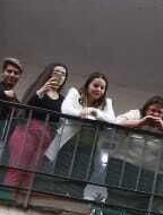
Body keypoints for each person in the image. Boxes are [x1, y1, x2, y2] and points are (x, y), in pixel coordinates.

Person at [46, 72, 115, 200]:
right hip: (69, 144)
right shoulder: (75, 93)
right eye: (95, 85)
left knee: (80, 179)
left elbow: (112, 121)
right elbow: (65, 110)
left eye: (102, 88)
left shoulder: (106, 103)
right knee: (61, 175)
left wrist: (96, 112)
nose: (98, 89)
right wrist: (81, 112)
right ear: (88, 85)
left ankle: (73, 205)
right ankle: (56, 202)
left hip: (88, 148)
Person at [3, 63, 67, 192]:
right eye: (57, 72)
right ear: (49, 73)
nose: (59, 75)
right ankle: (6, 198)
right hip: (27, 132)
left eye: (63, 74)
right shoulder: (38, 90)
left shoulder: (63, 100)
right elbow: (26, 108)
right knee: (17, 169)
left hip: (45, 139)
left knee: (30, 175)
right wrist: (42, 90)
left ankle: (19, 203)